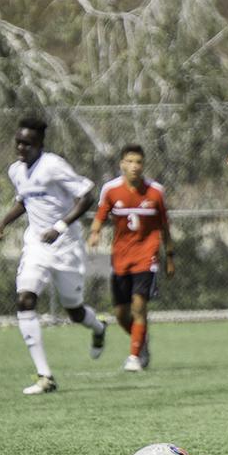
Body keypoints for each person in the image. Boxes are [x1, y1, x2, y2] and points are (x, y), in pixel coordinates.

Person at [0, 117, 107, 395]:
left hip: (66, 246)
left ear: (40, 144)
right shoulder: (16, 170)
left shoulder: (53, 166)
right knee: (25, 298)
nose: (21, 147)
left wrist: (60, 226)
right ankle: (45, 376)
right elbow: (24, 200)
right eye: (18, 142)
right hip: (36, 246)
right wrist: (4, 223)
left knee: (74, 310)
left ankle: (98, 328)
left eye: (27, 143)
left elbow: (87, 194)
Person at [88, 144, 174, 372]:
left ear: (143, 165)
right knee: (120, 314)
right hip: (120, 259)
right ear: (121, 164)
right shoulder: (111, 190)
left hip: (147, 257)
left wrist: (170, 256)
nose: (134, 166)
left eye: (139, 162)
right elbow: (100, 215)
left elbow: (165, 227)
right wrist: (94, 233)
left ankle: (134, 356)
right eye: (130, 161)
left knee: (139, 307)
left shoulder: (155, 191)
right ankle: (141, 340)